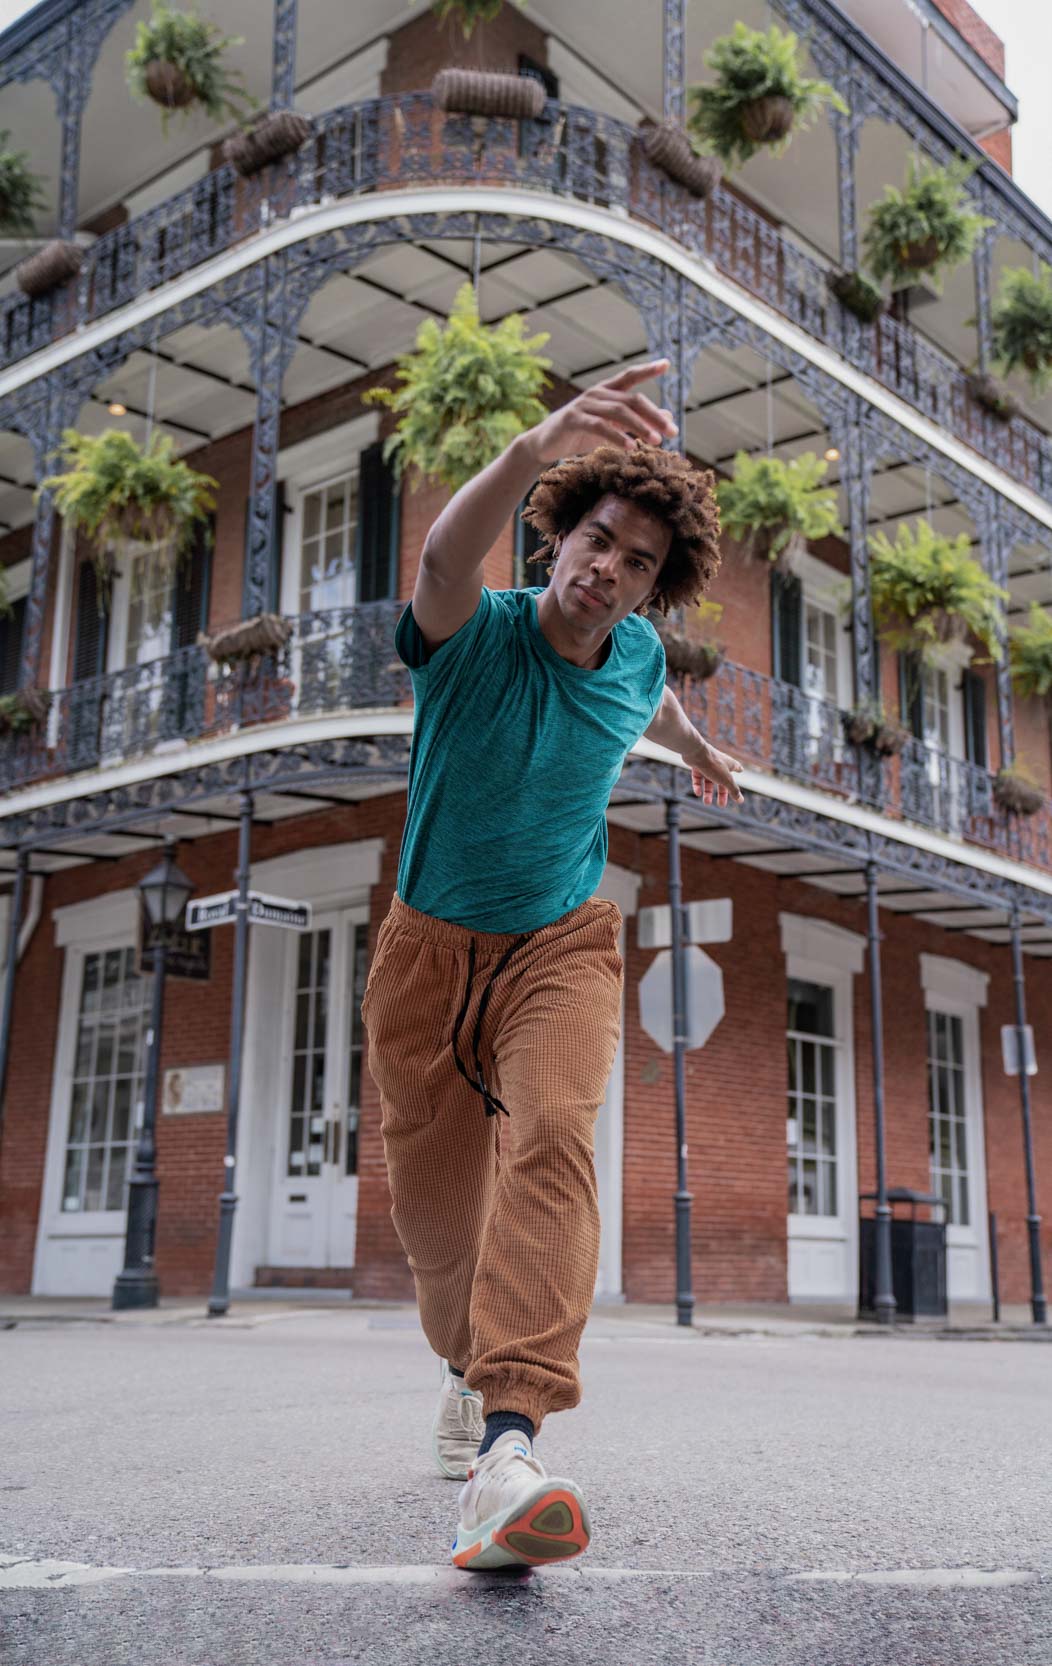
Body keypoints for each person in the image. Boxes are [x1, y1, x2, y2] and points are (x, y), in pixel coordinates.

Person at [360, 359, 744, 1573]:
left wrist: (697, 754)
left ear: (651, 586)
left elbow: (658, 709)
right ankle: (462, 1369)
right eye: (595, 541)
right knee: (438, 1250)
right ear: (555, 537)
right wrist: (531, 442)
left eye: (636, 562)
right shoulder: (472, 639)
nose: (607, 571)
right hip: (425, 959)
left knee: (554, 1136)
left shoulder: (633, 657)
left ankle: (509, 1449)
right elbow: (432, 565)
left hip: (560, 945)